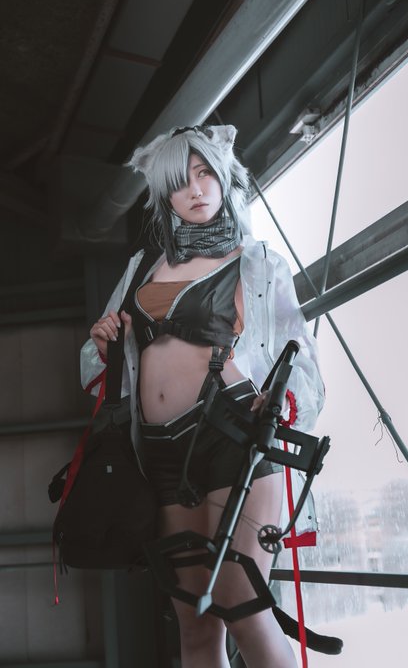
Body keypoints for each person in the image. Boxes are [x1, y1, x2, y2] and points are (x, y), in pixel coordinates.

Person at [81, 124, 325, 668]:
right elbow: (95, 367)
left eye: (204, 174)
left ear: (223, 176)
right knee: (194, 628)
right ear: (163, 195)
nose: (194, 189)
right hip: (160, 453)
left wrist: (280, 401)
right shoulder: (140, 269)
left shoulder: (256, 263)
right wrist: (103, 344)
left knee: (244, 609)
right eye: (179, 181)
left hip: (230, 439)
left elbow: (303, 363)